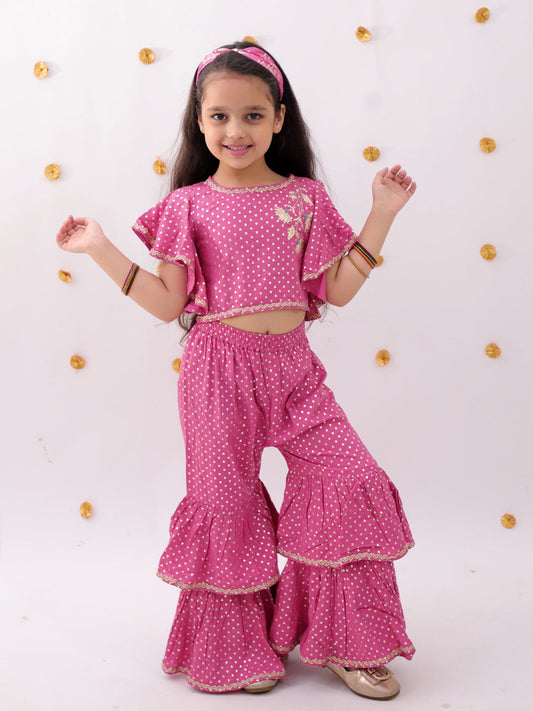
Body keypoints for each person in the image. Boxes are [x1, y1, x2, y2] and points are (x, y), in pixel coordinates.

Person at [56, 41, 417, 699]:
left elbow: (337, 289)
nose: (235, 130)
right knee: (225, 505)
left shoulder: (305, 198)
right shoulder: (188, 205)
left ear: (279, 119)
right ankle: (236, 649)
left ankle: (349, 641)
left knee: (350, 477)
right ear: (199, 121)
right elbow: (167, 303)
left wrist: (382, 215)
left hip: (295, 372)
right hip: (216, 374)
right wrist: (100, 247)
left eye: (252, 115)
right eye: (219, 116)